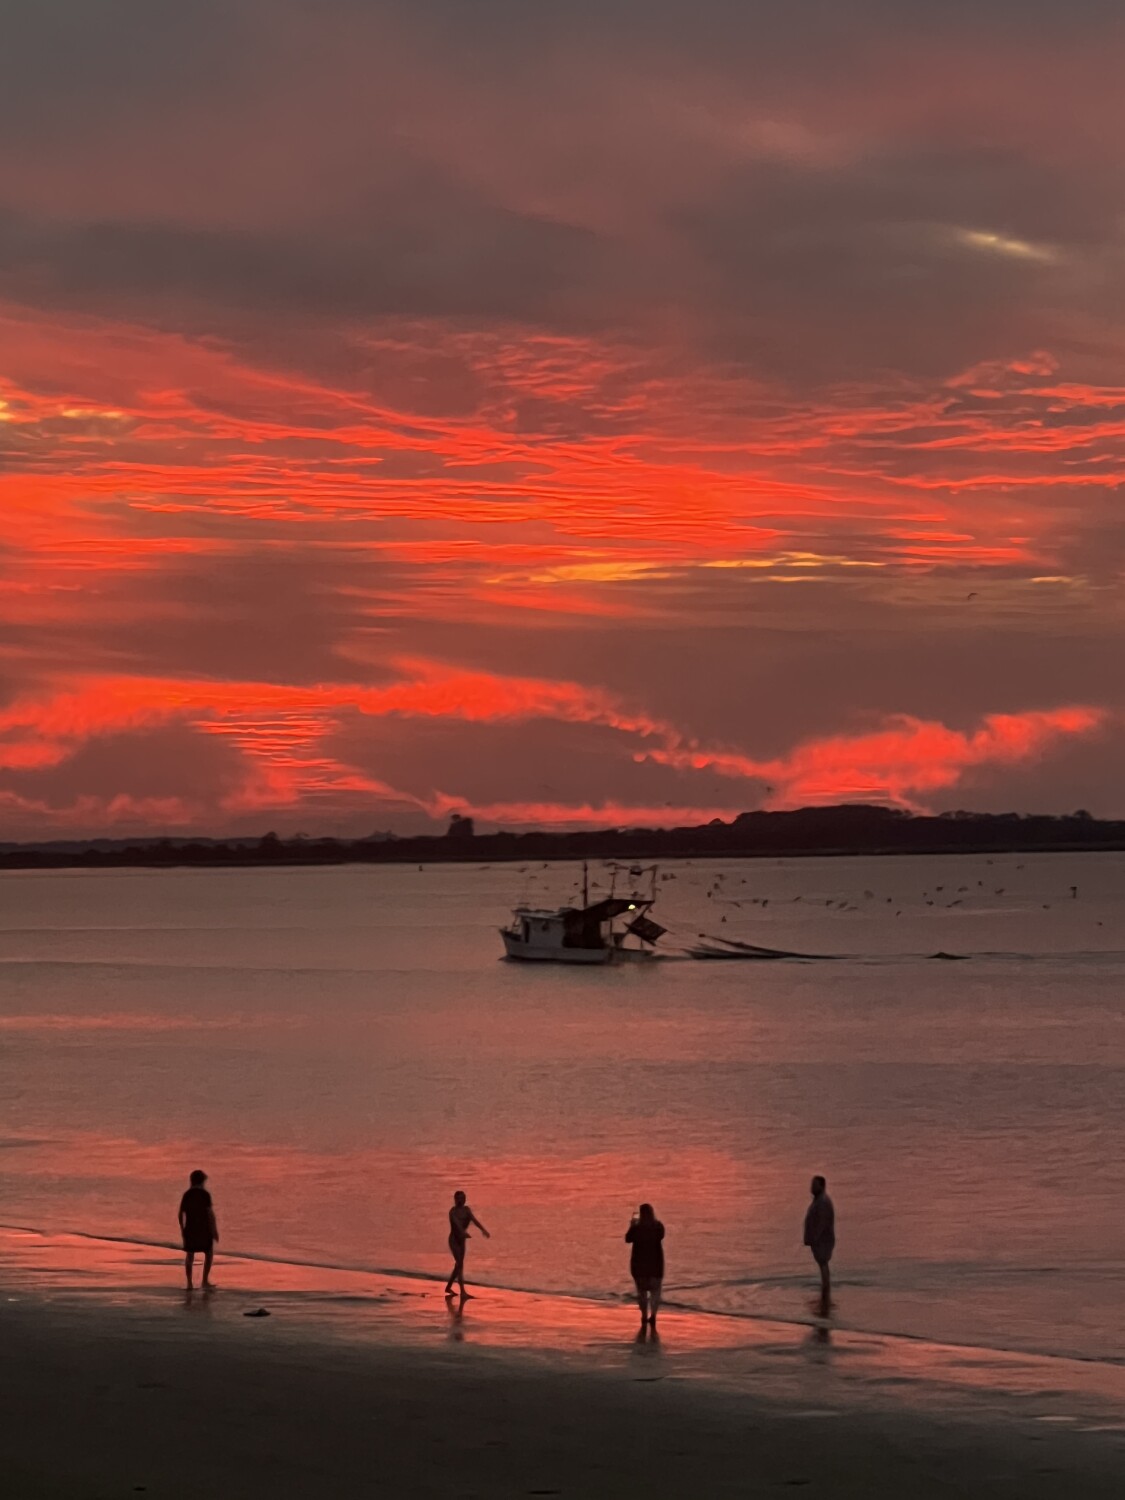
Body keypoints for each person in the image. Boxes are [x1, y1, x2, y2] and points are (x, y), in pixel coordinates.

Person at [625, 1202, 665, 1330]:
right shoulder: (658, 1226)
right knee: (655, 1292)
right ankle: (653, 1315)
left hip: (639, 1264)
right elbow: (661, 1236)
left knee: (641, 1293)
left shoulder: (637, 1228)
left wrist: (632, 1225)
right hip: (655, 1264)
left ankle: (643, 1315)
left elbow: (628, 1239)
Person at [178, 1169, 218, 1290]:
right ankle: (205, 1281)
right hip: (204, 1228)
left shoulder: (187, 1194)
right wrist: (214, 1230)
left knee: (190, 1255)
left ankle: (189, 1283)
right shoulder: (205, 1194)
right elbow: (210, 1213)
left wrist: (182, 1228)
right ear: (202, 1181)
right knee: (209, 1253)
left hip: (190, 1227)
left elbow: (180, 1213)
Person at [445, 1190, 490, 1297]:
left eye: (463, 1198)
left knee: (459, 1265)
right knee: (460, 1264)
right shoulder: (452, 1212)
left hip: (462, 1241)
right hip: (454, 1240)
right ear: (455, 1200)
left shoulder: (467, 1210)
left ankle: (448, 1287)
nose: (461, 1200)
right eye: (459, 1198)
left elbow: (474, 1220)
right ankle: (463, 1292)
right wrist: (463, 1232)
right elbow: (457, 1225)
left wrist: (483, 1230)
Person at [803, 1175, 835, 1311]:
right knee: (822, 1264)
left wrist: (815, 1237)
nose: (812, 1187)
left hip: (823, 1239)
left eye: (815, 1185)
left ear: (821, 1186)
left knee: (823, 1263)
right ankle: (825, 1289)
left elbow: (822, 1222)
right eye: (812, 1184)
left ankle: (826, 1289)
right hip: (819, 1239)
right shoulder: (819, 1200)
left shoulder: (823, 1202)